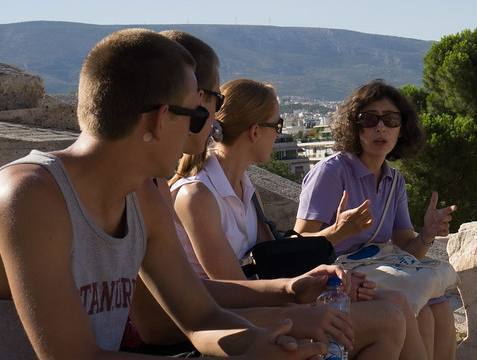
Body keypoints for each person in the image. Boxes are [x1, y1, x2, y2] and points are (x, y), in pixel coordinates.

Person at [0, 28, 329, 359]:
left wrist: (261, 343)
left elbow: (201, 317)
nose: (206, 129)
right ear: (160, 120)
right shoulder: (29, 196)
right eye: (196, 115)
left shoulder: (141, 197)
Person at [125, 31, 392, 359]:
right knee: (388, 319)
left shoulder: (164, 187)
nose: (212, 117)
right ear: (190, 100)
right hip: (190, 337)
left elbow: (201, 301)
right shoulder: (182, 193)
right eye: (213, 101)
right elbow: (168, 323)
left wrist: (297, 290)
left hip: (215, 323)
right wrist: (290, 309)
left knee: (394, 310)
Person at [163, 77, 425, 359]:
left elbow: (274, 260)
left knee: (396, 302)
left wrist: (328, 284)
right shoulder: (198, 196)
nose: (279, 134)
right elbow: (236, 290)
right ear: (254, 132)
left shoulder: (244, 187)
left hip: (258, 304)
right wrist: (302, 303)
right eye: (277, 126)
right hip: (226, 323)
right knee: (388, 320)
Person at [294, 79, 458, 360]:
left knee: (439, 312)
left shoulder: (394, 180)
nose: (380, 128)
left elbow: (407, 248)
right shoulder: (331, 173)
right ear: (354, 127)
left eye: (391, 119)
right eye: (369, 120)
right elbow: (297, 246)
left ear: (401, 128)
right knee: (422, 317)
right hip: (339, 283)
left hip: (377, 273)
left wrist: (426, 235)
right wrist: (337, 231)